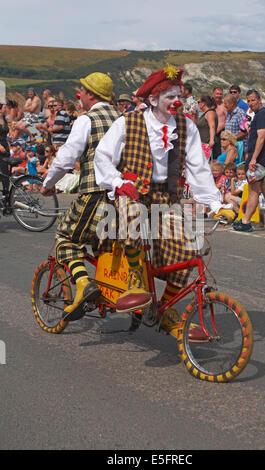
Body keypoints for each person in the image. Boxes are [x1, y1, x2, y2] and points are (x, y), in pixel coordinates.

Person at [94, 65, 234, 339]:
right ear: (153, 99)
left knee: (188, 248)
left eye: (178, 94)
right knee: (132, 217)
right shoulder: (128, 122)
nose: (176, 101)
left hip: (166, 197)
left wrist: (216, 205)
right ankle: (136, 283)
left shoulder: (186, 126)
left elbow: (198, 169)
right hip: (131, 192)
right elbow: (103, 156)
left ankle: (167, 312)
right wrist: (119, 182)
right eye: (169, 96)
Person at [41, 72, 121, 322]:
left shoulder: (87, 120)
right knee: (105, 247)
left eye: (83, 91)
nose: (81, 96)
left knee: (65, 238)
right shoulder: (124, 118)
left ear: (90, 94)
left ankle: (84, 284)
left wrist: (48, 184)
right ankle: (109, 295)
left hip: (94, 193)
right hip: (120, 197)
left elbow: (66, 157)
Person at [233, 89, 265, 233]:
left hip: (259, 157)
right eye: (249, 100)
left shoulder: (263, 115)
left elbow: (261, 137)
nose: (251, 103)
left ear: (259, 100)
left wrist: (253, 159)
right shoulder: (260, 115)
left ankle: (245, 221)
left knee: (253, 189)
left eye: (253, 100)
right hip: (262, 156)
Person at [196, 95, 218, 161]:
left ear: (203, 103)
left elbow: (212, 126)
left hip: (208, 144)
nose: (198, 104)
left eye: (198, 102)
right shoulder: (205, 113)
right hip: (202, 144)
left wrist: (211, 140)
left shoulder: (210, 113)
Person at [212, 87, 227, 159]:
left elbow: (227, 120)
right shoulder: (210, 105)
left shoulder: (224, 106)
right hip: (211, 134)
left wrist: (217, 130)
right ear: (213, 94)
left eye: (220, 94)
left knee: (218, 156)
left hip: (219, 134)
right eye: (217, 94)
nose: (219, 96)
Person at [0, 103, 10, 202]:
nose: (6, 109)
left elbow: (5, 135)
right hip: (0, 147)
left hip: (5, 147)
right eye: (4, 108)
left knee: (6, 172)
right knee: (3, 171)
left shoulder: (5, 120)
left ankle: (6, 195)